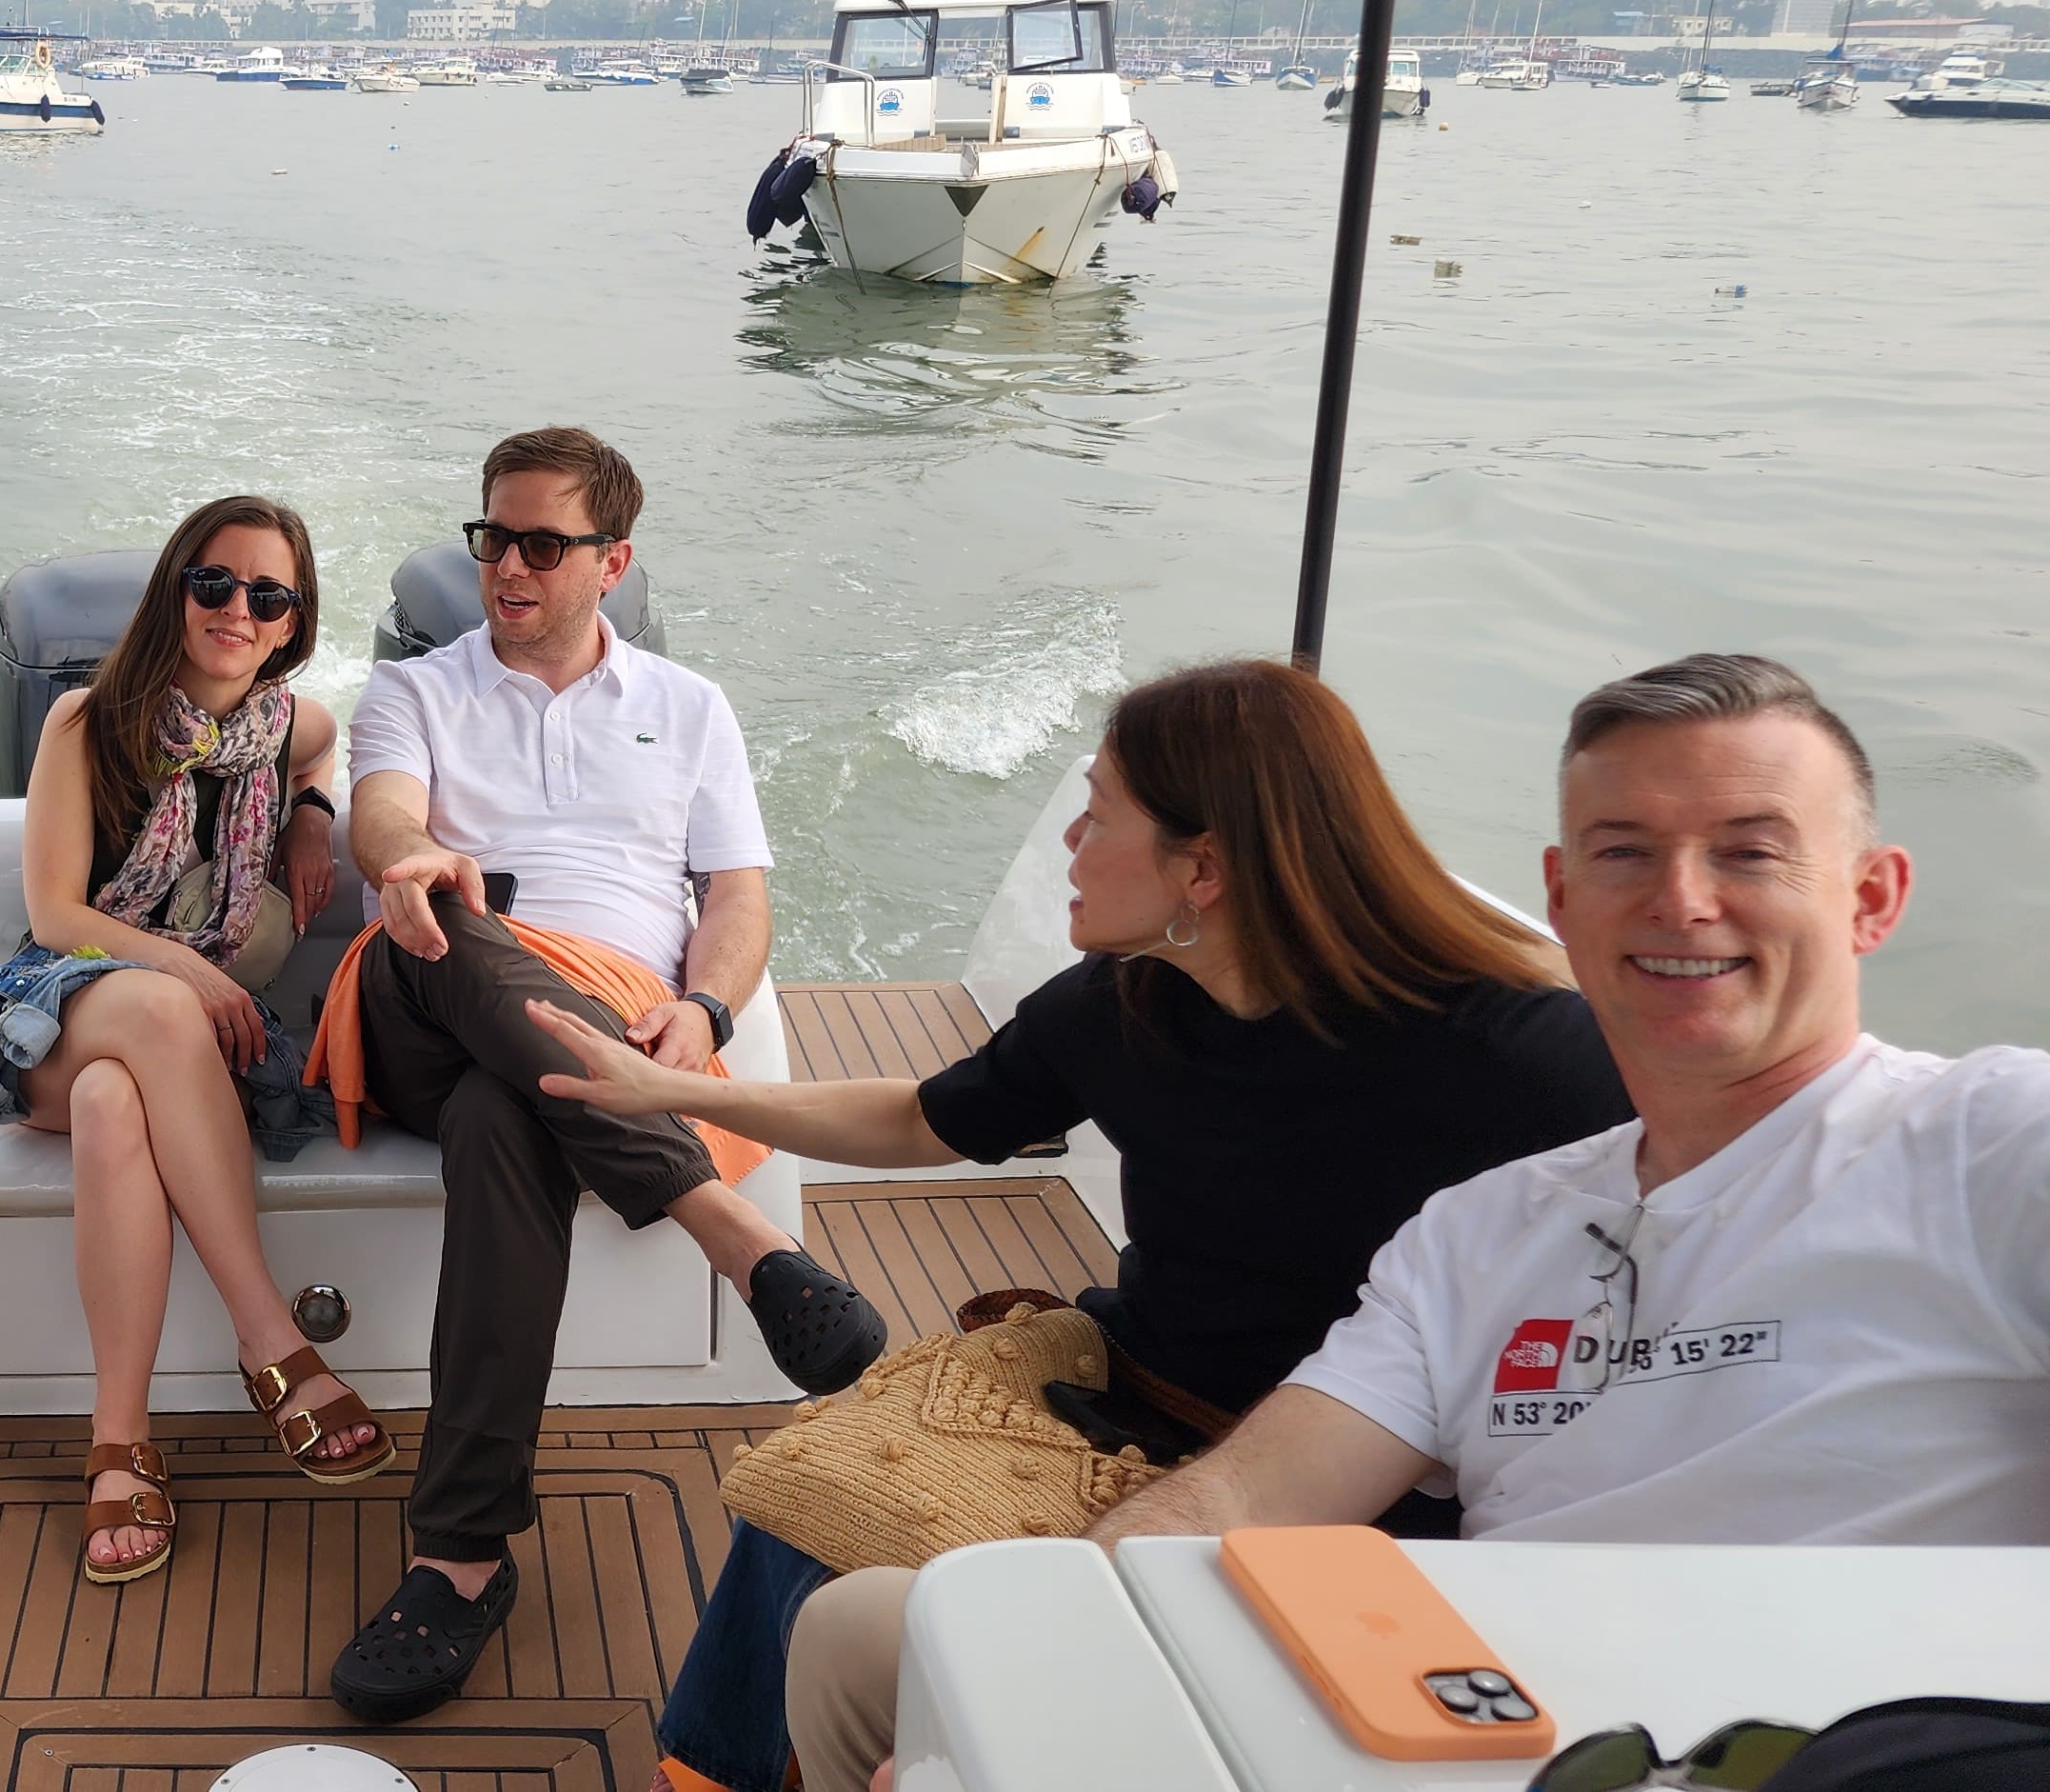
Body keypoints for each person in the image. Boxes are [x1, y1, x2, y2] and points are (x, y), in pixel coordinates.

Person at [774, 654, 2050, 1792]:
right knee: (870, 1635)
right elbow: (1248, 1494)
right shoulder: (1481, 1235)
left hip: (1879, 1747)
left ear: (1872, 898)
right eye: (1622, 852)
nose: (1680, 899)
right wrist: (1018, 1693)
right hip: (1475, 1729)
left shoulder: (1988, 1145)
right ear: (1561, 896)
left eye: (1750, 852)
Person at [525, 659, 1631, 1792]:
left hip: (1348, 1474)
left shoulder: (1513, 1052)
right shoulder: (1125, 997)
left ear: (1202, 869)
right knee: (807, 1490)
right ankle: (706, 1776)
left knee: (872, 1572)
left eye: (1095, 815)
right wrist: (679, 1092)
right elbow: (925, 1117)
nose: (1067, 839)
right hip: (1126, 1384)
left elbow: (1682, 1175)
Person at [320, 426, 889, 1725]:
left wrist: (704, 1006)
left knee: (502, 1116)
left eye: (541, 543)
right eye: (492, 538)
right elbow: (384, 816)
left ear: (612, 562)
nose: (507, 566)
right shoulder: (414, 690)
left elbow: (735, 897)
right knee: (445, 912)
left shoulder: (690, 708)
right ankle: (733, 1233)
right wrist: (412, 857)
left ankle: (459, 1559)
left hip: (614, 1024)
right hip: (425, 986)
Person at [0, 497, 389, 1586]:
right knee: (152, 1012)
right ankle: (270, 1339)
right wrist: (184, 969)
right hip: (63, 997)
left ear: (293, 622)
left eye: (268, 595)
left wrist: (311, 815)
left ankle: (120, 1439)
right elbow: (57, 914)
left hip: (145, 1059)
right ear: (176, 592)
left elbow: (323, 746)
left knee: (113, 1103)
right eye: (215, 583)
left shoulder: (285, 726)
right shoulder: (85, 721)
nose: (239, 609)